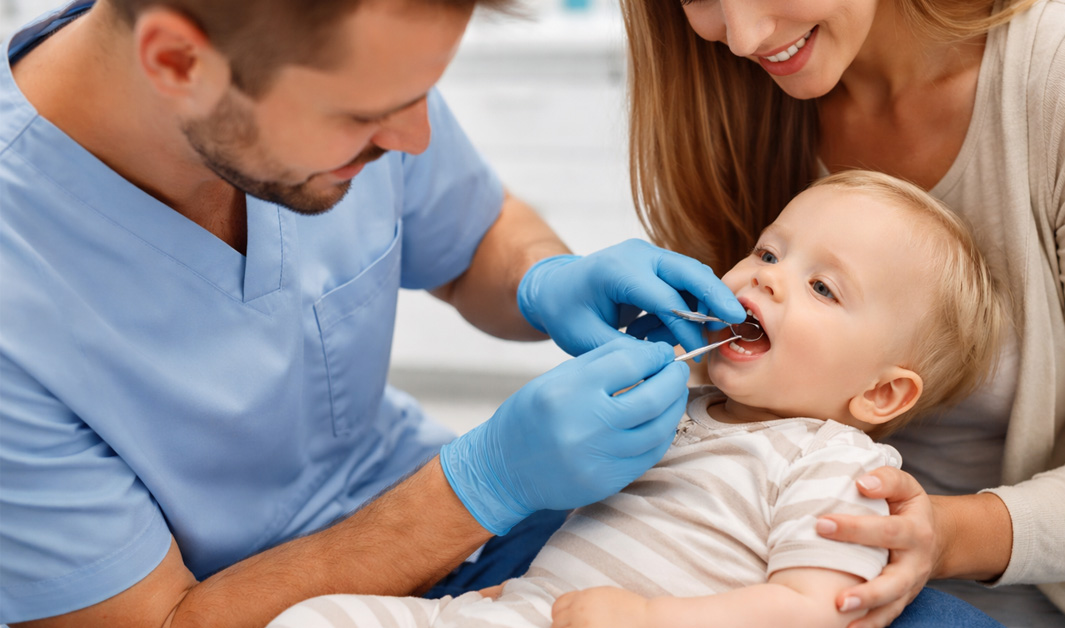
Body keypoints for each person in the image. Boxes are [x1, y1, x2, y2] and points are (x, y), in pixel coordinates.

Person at [0, 0, 755, 626]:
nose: (414, 140)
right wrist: (483, 482)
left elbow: (478, 235)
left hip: (486, 545)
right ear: (177, 63)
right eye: (368, 116)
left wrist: (545, 276)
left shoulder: (335, 62)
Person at [619, 0, 1065, 626]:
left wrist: (936, 535)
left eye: (823, 287)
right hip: (754, 570)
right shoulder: (724, 92)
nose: (742, 38)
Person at [266, 170, 1008, 628]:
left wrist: (654, 620)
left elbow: (813, 611)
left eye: (822, 287)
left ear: (880, 392)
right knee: (308, 618)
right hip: (514, 608)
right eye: (770, 252)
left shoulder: (835, 466)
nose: (768, 279)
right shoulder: (679, 402)